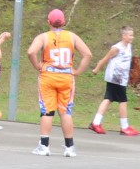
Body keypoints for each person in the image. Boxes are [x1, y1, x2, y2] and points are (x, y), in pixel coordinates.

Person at [26, 9, 92, 156]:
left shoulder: (43, 37)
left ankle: (44, 146)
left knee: (47, 111)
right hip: (66, 77)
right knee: (65, 112)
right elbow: (87, 54)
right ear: (63, 22)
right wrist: (77, 71)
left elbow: (31, 52)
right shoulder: (72, 36)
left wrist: (37, 65)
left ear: (48, 22)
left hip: (48, 76)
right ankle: (69, 147)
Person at [88, 26, 139, 136]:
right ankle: (124, 127)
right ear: (124, 36)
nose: (132, 37)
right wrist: (96, 69)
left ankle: (95, 122)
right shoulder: (116, 48)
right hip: (115, 78)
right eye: (130, 35)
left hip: (122, 78)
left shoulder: (129, 46)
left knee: (108, 99)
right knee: (123, 101)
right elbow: (105, 59)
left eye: (132, 35)